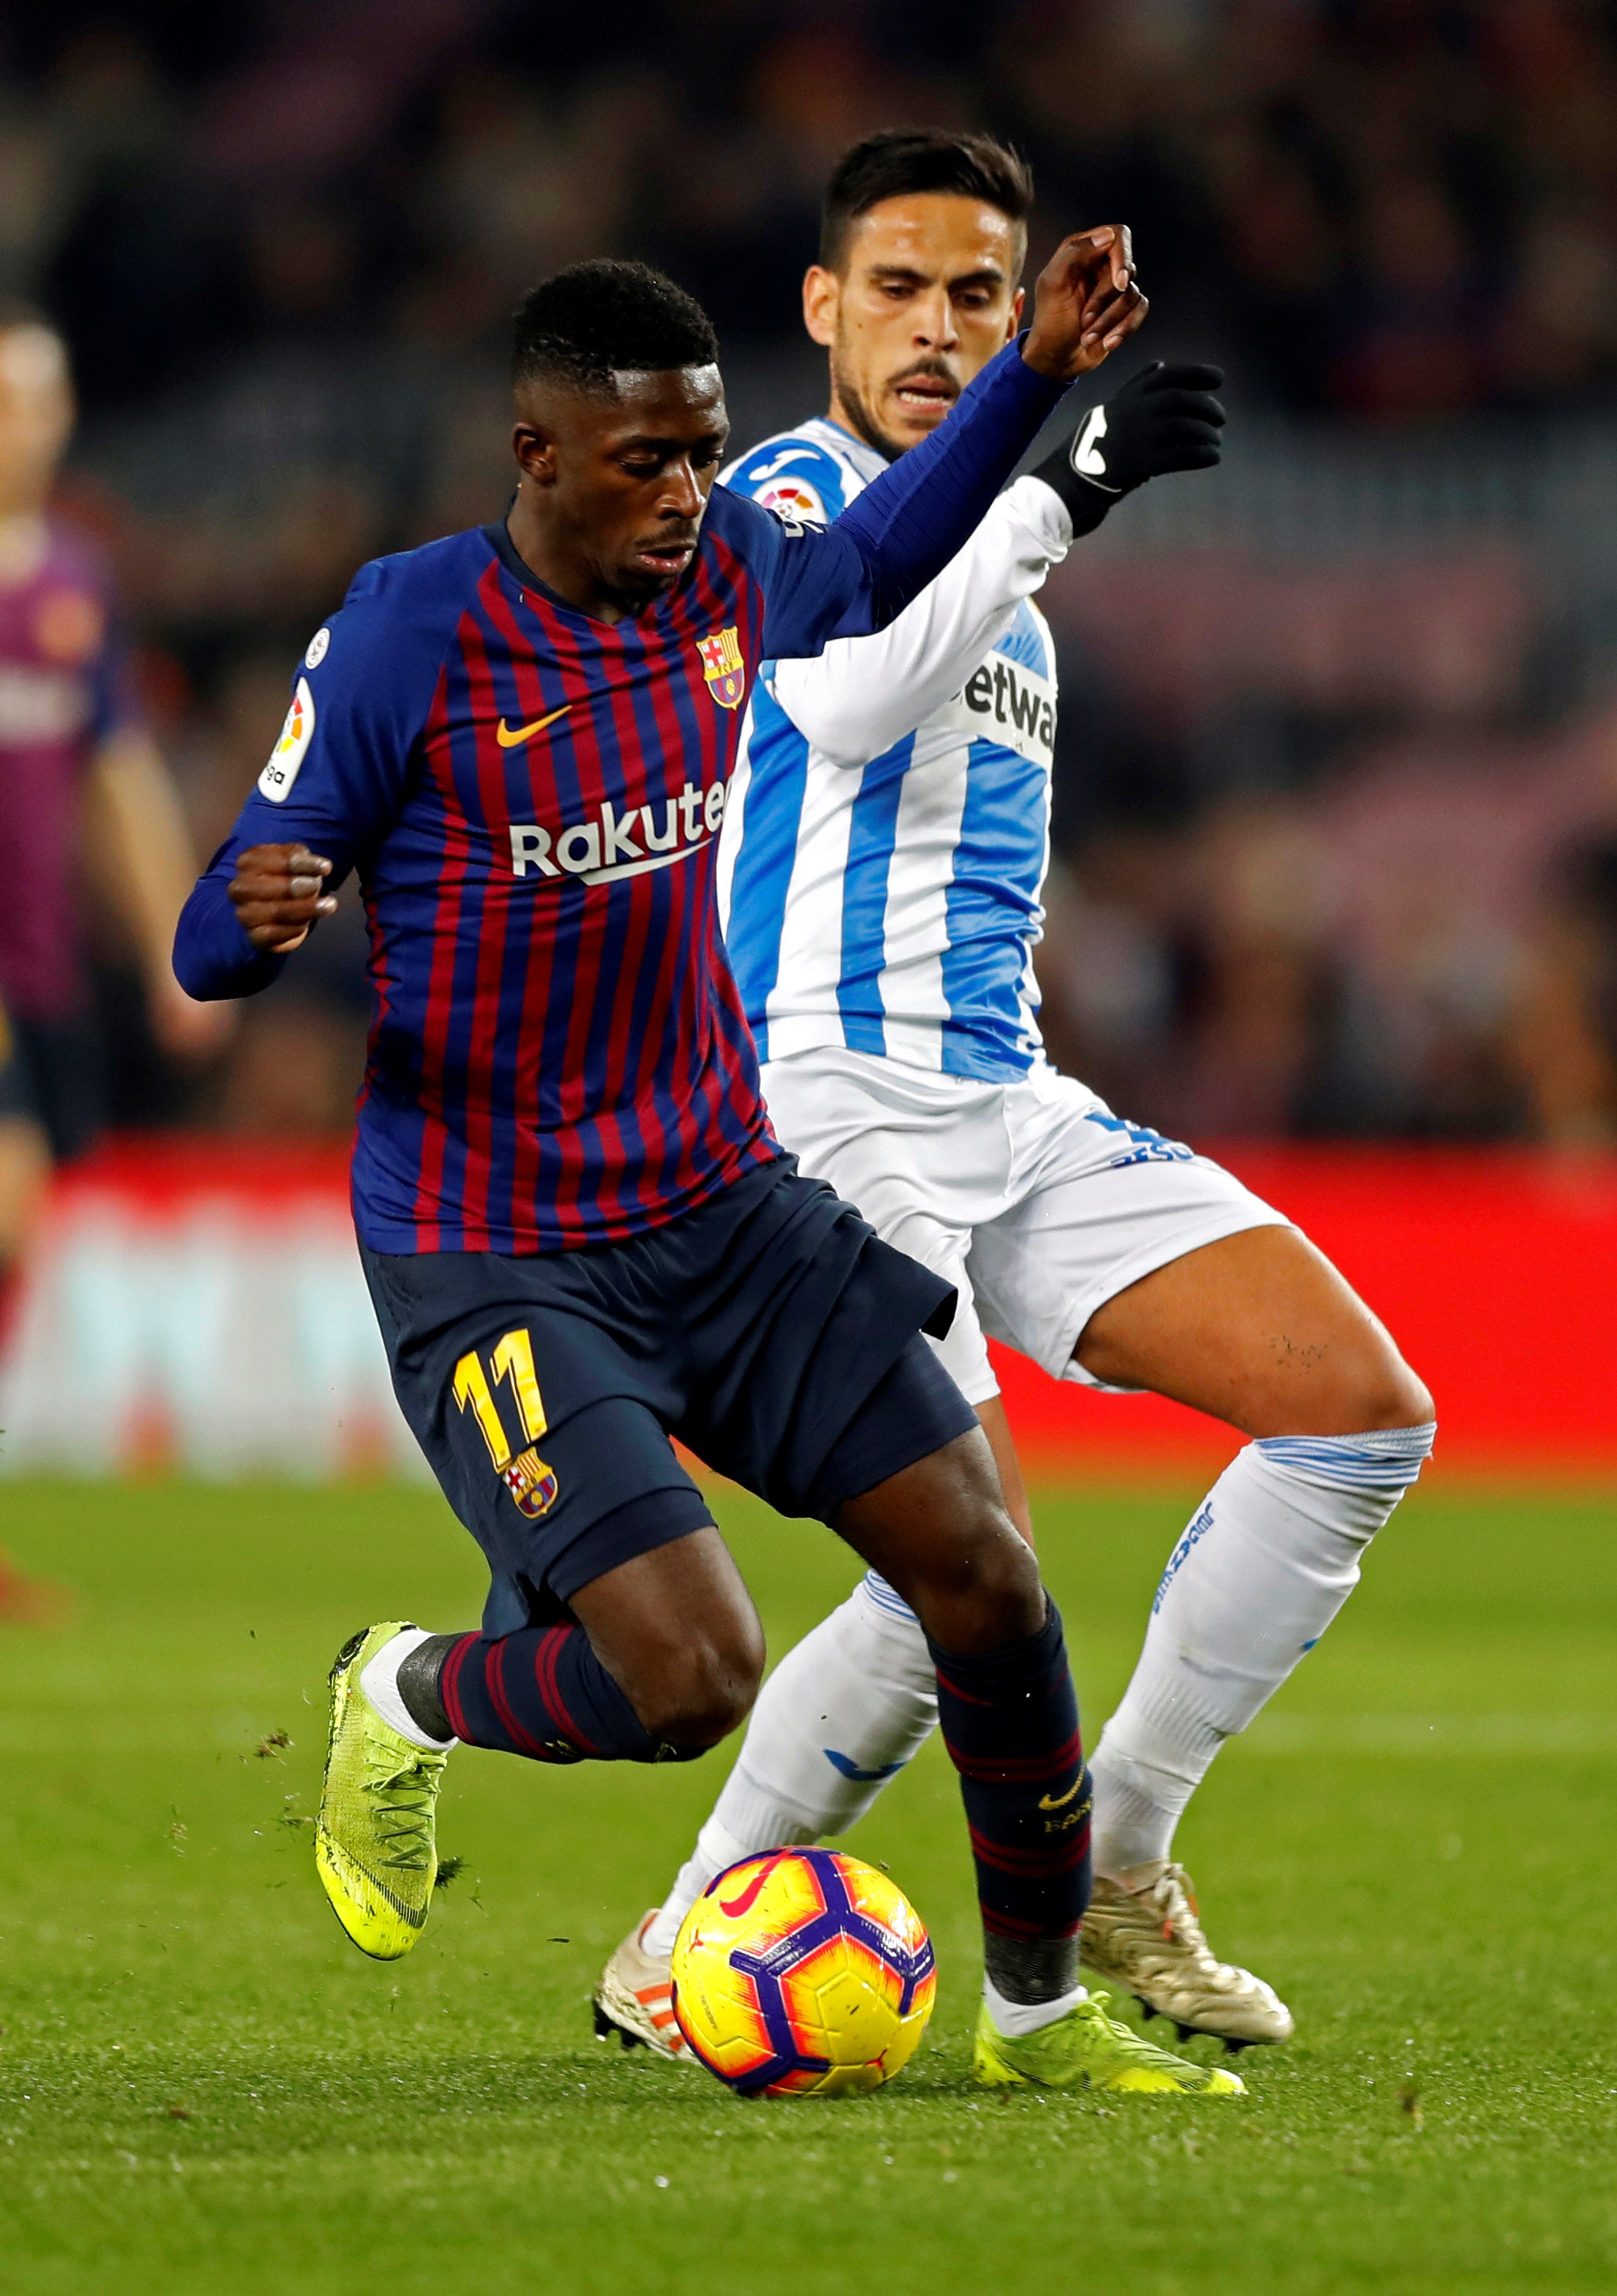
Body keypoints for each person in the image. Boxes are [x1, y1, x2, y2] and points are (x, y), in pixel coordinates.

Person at [174, 248, 1243, 2098]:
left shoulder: (730, 571)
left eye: (704, 451)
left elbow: (880, 555)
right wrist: (251, 922)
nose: (689, 494)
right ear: (538, 453)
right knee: (686, 1683)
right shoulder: (410, 633)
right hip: (499, 1248)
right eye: (647, 463)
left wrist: (1035, 377)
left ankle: (1036, 2018)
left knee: (985, 1577)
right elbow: (213, 932)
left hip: (721, 1200)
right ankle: (405, 1688)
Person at [594, 129, 1436, 2062]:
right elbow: (838, 694)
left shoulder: (1007, 580)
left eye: (979, 294)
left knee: (1354, 1413)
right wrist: (1058, 490)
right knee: (952, 1571)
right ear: (822, 308)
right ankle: (682, 1935)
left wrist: (1037, 514)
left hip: (1004, 1099)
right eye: (898, 288)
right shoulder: (783, 492)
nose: (938, 327)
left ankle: (1120, 1849)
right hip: (822, 1104)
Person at [0, 302, 228, 1337]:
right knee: (8, 1188)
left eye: (35, 402)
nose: (19, 427)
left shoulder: (73, 584)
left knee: (29, 1211)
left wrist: (174, 943)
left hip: (43, 959)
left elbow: (118, 778)